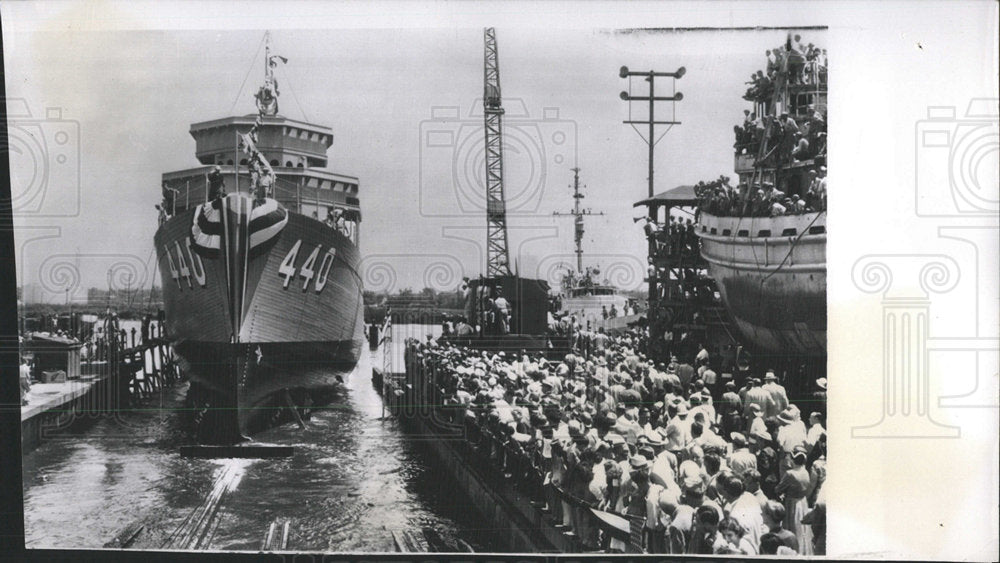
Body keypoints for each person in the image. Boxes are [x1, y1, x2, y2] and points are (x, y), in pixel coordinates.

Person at [774, 445, 813, 554]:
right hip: (803, 502)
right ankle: (803, 550)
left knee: (793, 527)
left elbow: (778, 489)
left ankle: (793, 551)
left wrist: (779, 491)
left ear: (793, 459)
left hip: (792, 503)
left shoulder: (790, 474)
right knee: (802, 529)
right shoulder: (805, 472)